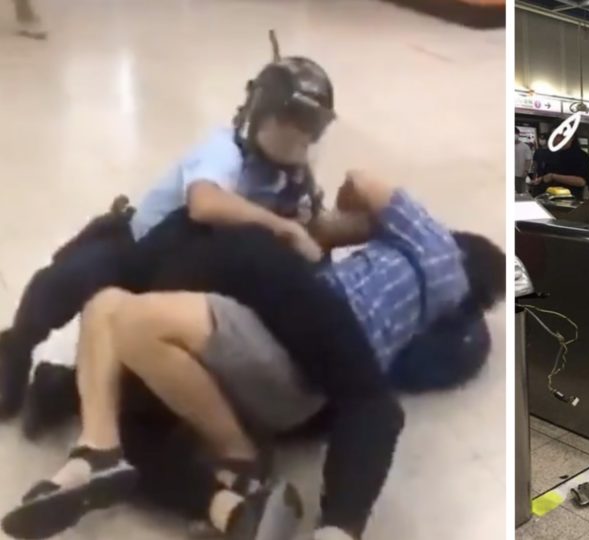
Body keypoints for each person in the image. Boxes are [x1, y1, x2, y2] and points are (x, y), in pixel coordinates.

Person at [2, 172, 507, 540]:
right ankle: (103, 449)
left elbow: (362, 181)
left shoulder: (437, 246)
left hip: (291, 353)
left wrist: (352, 222)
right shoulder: (451, 334)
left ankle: (236, 459)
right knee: (106, 308)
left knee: (130, 320)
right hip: (289, 370)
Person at [0, 55, 335, 421]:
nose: (305, 137)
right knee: (64, 282)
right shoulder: (224, 149)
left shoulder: (292, 178)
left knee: (166, 377)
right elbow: (204, 203)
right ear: (265, 113)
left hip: (190, 277)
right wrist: (278, 225)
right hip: (136, 246)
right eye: (297, 123)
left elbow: (311, 227)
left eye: (314, 127)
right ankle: (15, 351)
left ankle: (64, 388)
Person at [530, 133, 589, 200]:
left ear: (571, 137)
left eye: (560, 136)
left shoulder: (581, 156)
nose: (557, 139)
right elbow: (548, 174)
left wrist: (553, 176)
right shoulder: (551, 154)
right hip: (547, 197)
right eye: (555, 136)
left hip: (570, 200)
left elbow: (581, 181)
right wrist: (541, 179)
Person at [514, 128, 533, 194]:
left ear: (518, 134)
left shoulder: (525, 147)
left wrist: (525, 171)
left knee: (520, 192)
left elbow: (528, 160)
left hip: (520, 174)